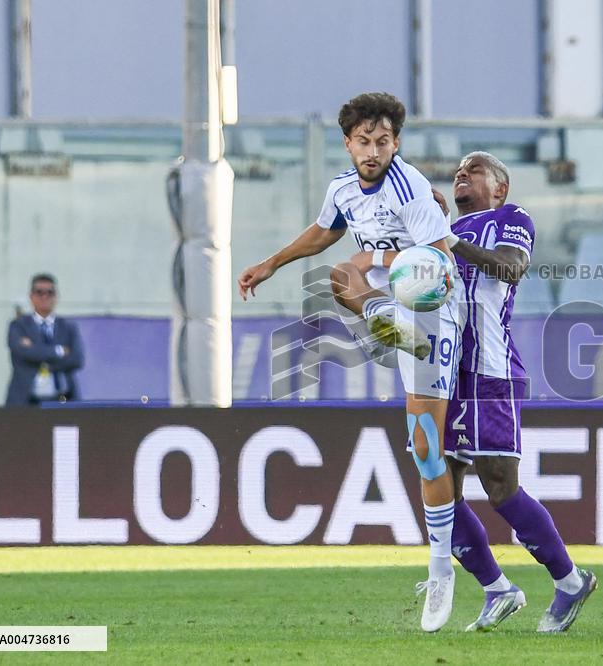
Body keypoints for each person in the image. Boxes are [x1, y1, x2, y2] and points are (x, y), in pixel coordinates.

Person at [237, 92, 463, 633]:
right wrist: (270, 263)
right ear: (348, 143)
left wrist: (381, 257)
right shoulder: (344, 189)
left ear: (396, 143)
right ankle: (388, 324)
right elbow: (324, 232)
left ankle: (440, 572)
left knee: (428, 449)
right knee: (340, 274)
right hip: (395, 309)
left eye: (383, 141)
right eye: (364, 141)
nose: (373, 150)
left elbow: (443, 258)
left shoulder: (409, 188)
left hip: (433, 311)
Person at [431, 152, 597, 633]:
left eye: (475, 169)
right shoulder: (440, 234)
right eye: (459, 170)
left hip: (490, 373)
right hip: (444, 375)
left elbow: (510, 268)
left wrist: (450, 240)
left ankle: (569, 582)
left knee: (500, 488)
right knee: (439, 488)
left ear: (500, 188)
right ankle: (496, 588)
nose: (462, 173)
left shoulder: (511, 217)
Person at [6, 274, 85, 406]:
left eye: (50, 292)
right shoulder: (19, 326)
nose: (45, 297)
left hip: (63, 399)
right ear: (31, 297)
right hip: (26, 402)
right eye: (39, 292)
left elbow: (77, 359)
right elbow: (23, 352)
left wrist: (38, 355)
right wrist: (58, 351)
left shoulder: (68, 327)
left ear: (56, 296)